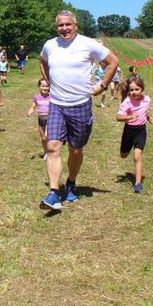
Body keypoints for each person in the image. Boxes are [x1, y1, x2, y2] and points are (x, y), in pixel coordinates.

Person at [39, 11, 119, 210]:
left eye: (68, 24)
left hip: (80, 105)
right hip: (57, 104)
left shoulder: (88, 44)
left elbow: (113, 62)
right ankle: (54, 192)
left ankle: (71, 183)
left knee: (75, 150)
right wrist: (49, 82)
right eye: (60, 25)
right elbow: (42, 61)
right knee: (52, 147)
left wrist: (102, 86)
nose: (64, 28)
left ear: (76, 25)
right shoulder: (50, 45)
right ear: (56, 27)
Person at [115, 74, 152, 194]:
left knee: (137, 156)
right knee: (123, 155)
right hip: (129, 130)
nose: (134, 92)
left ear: (142, 89)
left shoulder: (147, 99)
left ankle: (138, 183)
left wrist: (148, 117)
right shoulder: (127, 102)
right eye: (131, 90)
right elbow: (118, 117)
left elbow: (143, 110)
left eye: (137, 89)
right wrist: (130, 116)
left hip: (141, 131)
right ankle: (127, 149)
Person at [27, 78, 51, 160]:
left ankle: (51, 151)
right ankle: (46, 152)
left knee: (47, 136)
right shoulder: (36, 97)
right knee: (43, 138)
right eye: (43, 86)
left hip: (49, 119)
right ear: (39, 86)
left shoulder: (51, 96)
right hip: (41, 120)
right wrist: (31, 110)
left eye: (47, 86)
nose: (45, 88)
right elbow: (33, 106)